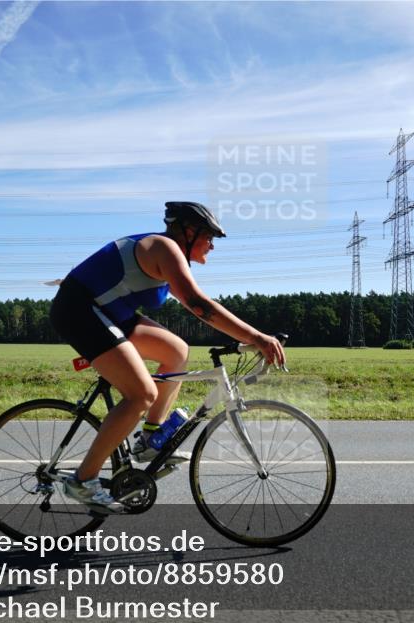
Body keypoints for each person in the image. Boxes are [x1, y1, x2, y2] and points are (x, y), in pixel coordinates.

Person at [48, 202, 285, 506]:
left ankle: (149, 438)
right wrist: (257, 337)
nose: (212, 246)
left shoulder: (170, 255)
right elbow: (200, 306)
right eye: (209, 237)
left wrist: (247, 339)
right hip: (79, 311)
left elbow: (197, 306)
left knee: (176, 351)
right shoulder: (165, 248)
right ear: (189, 232)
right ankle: (83, 481)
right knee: (141, 394)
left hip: (110, 313)